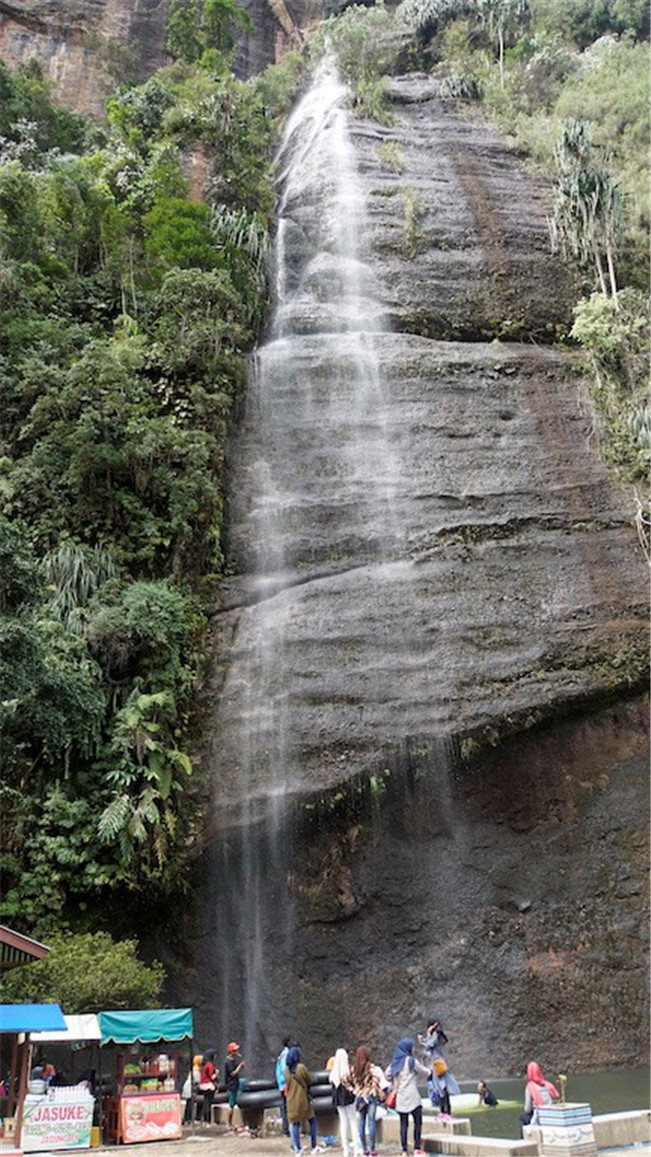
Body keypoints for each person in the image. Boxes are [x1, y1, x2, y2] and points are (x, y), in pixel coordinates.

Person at [388, 1038, 431, 1157]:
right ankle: (417, 1149)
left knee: (403, 1124)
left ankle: (404, 1151)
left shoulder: (394, 1062)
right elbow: (425, 1072)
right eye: (411, 1046)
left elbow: (387, 1075)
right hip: (413, 1097)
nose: (413, 1048)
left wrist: (395, 1082)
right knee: (418, 1122)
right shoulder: (411, 1061)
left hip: (401, 1097)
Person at [284, 1045, 323, 1156]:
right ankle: (314, 1146)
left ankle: (297, 1149)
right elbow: (309, 1079)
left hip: (291, 1100)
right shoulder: (301, 1068)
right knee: (312, 1120)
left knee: (294, 1123)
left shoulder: (285, 1071)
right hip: (302, 1099)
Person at [348, 1046, 387, 1157]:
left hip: (360, 1098)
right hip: (371, 1097)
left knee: (361, 1123)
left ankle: (364, 1150)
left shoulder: (353, 1069)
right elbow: (380, 1082)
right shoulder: (373, 1068)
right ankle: (372, 1150)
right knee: (371, 1123)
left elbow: (345, 1080)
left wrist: (355, 1091)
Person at [419, 1019, 460, 1119]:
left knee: (442, 1089)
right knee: (441, 1089)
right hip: (437, 1065)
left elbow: (429, 1046)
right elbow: (428, 1046)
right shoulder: (436, 1036)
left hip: (438, 1066)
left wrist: (428, 1034)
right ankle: (444, 1112)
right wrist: (423, 1041)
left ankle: (446, 1112)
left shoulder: (436, 1035)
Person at [329, 1048, 360, 1157]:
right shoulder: (348, 1072)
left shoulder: (333, 1075)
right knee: (353, 1121)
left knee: (343, 1122)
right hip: (349, 1100)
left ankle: (345, 1150)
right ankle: (356, 1149)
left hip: (338, 1100)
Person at [520, 1062, 559, 1133]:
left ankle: (525, 1139)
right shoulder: (548, 1085)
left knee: (523, 1117)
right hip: (553, 1116)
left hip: (540, 1117)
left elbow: (527, 1109)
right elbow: (556, 1099)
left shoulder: (530, 1087)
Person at [224, 1042, 246, 1131]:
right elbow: (232, 1073)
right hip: (231, 1084)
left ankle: (239, 1122)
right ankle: (228, 1123)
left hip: (235, 1083)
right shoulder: (228, 1061)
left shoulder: (233, 1060)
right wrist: (240, 1066)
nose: (237, 1051)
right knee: (231, 1104)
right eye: (235, 1050)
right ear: (231, 1051)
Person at [275, 1036, 292, 1137]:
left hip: (281, 1084)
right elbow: (285, 1070)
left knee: (285, 1106)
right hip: (285, 1084)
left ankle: (286, 1129)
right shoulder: (286, 1055)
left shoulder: (282, 1054)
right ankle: (287, 1130)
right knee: (287, 1107)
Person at [198, 1048, 219, 1126]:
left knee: (206, 1103)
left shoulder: (204, 1065)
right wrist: (217, 1073)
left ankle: (205, 1120)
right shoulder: (210, 1065)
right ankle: (208, 1121)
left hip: (203, 1085)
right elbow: (212, 1077)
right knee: (208, 1104)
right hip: (208, 1086)